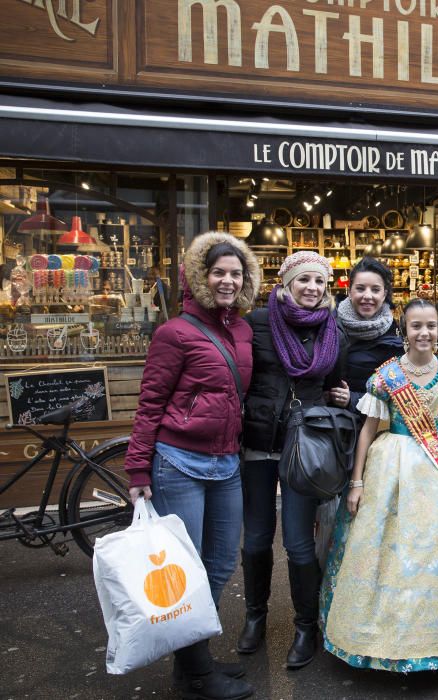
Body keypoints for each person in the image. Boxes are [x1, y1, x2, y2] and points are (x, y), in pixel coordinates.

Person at [125, 232, 259, 700]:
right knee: (185, 569)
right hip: (178, 462)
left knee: (219, 564)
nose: (227, 280)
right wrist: (138, 470)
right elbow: (150, 404)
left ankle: (193, 658)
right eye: (219, 272)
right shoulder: (174, 332)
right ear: (201, 277)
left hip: (225, 462)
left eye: (235, 273)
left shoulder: (242, 330)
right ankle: (196, 673)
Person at [321, 298, 438, 672]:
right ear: (403, 330)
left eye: (430, 326)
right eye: (416, 326)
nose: (423, 333)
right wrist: (357, 481)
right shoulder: (385, 376)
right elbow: (367, 431)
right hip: (391, 467)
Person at [235, 251, 343, 669]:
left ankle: (304, 627)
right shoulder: (257, 324)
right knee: (258, 536)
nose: (312, 288)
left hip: (306, 446)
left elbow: (337, 386)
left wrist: (343, 398)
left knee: (298, 541)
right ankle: (254, 617)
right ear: (286, 284)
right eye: (304, 280)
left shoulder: (332, 331)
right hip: (259, 441)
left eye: (319, 281)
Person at [331, 257, 403, 415]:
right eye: (360, 288)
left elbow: (394, 395)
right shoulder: (329, 324)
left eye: (375, 290)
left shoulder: (393, 338)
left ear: (384, 294)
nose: (367, 296)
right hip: (326, 424)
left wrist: (352, 399)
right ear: (350, 291)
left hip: (368, 425)